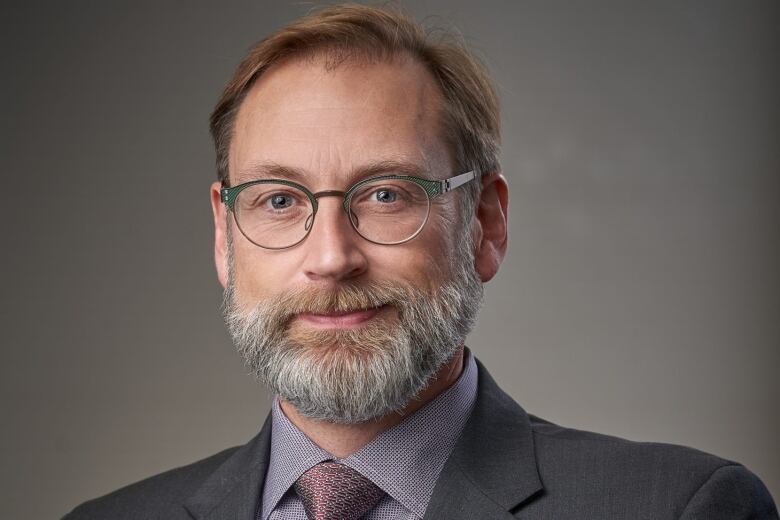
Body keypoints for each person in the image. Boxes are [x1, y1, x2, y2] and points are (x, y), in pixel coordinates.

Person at [64, 4, 777, 519]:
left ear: (485, 223)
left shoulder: (677, 507)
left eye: (385, 194)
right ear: (226, 236)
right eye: (279, 200)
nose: (332, 257)